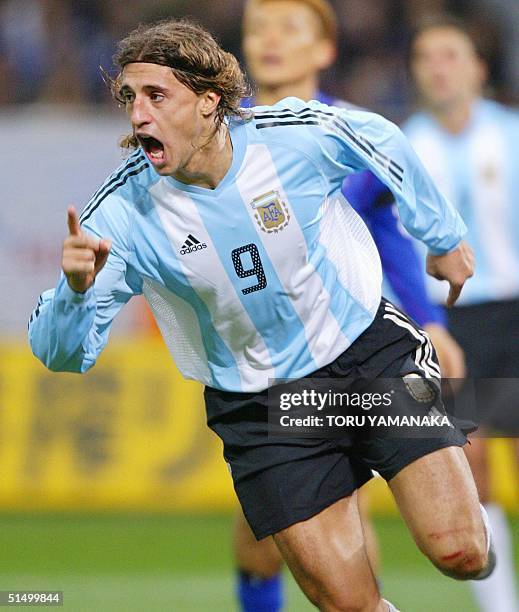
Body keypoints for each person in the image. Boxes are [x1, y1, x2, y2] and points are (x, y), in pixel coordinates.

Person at [28, 18, 491, 612]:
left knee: (463, 552)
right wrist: (73, 290)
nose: (137, 114)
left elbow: (380, 137)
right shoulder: (122, 216)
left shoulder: (289, 136)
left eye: (156, 95)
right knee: (350, 605)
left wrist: (443, 235)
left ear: (208, 101)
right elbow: (61, 354)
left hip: (364, 357)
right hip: (260, 405)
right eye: (129, 98)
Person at [236, 1, 466, 609]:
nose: (271, 41)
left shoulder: (351, 134)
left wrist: (432, 323)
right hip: (265, 357)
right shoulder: (219, 137)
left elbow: (389, 235)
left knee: (345, 515)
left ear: (324, 50)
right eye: (259, 29)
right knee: (259, 541)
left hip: (355, 344)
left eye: (290, 29)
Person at [405, 16, 519, 612]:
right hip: (450, 322)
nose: (438, 66)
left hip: (516, 311)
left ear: (478, 68)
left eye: (450, 54)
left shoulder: (513, 135)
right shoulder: (401, 146)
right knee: (472, 469)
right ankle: (502, 606)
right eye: (426, 56)